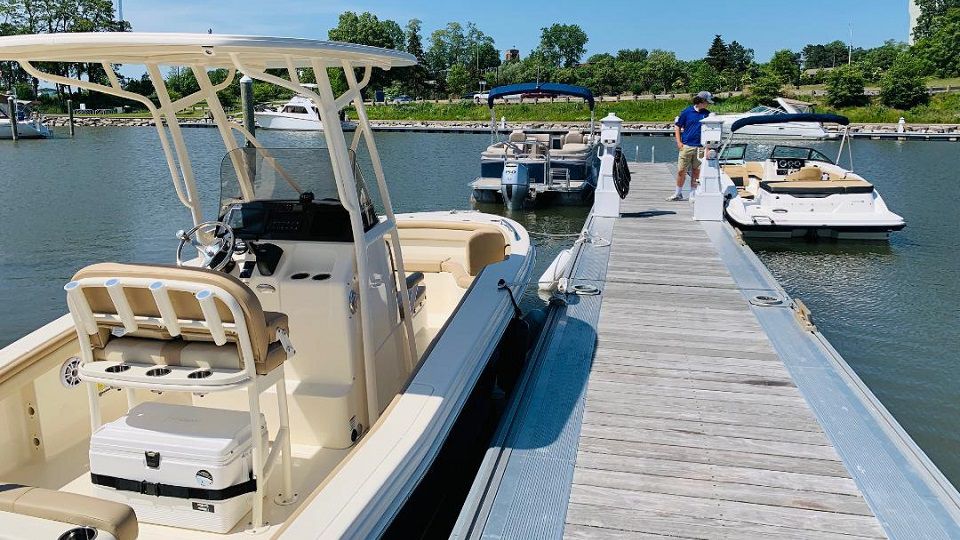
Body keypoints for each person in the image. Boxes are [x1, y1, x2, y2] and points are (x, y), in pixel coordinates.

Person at [667, 91, 713, 201]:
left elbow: (710, 132)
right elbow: (677, 126)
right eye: (707, 102)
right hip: (686, 146)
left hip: (701, 147)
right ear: (701, 101)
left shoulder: (707, 114)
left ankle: (693, 194)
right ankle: (678, 193)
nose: (708, 104)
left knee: (696, 171)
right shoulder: (687, 112)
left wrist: (708, 148)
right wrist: (678, 142)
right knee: (681, 171)